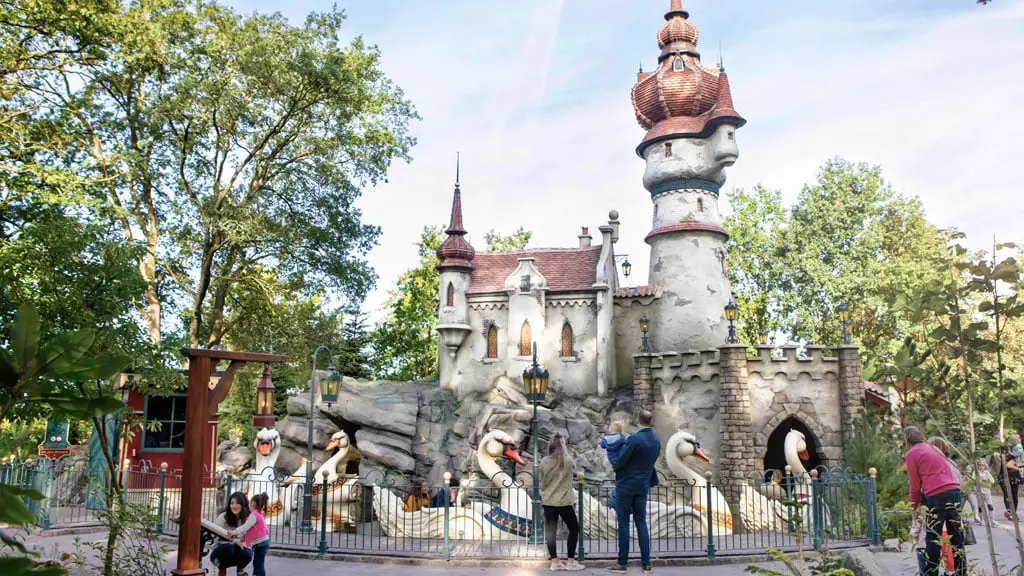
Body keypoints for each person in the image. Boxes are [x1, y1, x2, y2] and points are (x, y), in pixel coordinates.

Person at [904, 426, 965, 576]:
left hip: (937, 495)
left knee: (933, 538)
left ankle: (931, 573)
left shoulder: (911, 454)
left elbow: (915, 486)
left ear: (906, 440)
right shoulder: (934, 449)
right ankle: (962, 573)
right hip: (955, 492)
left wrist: (915, 507)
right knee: (956, 536)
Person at [608, 410, 660, 574]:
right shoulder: (656, 439)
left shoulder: (635, 439)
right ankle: (646, 563)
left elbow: (620, 462)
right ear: (650, 421)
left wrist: (615, 461)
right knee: (641, 522)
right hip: (643, 485)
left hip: (626, 485)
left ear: (638, 419)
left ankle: (622, 563)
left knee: (623, 523)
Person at [539, 431, 584, 572]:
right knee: (574, 529)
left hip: (548, 501)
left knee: (551, 532)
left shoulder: (544, 462)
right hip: (564, 501)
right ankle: (571, 561)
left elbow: (543, 480)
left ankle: (555, 562)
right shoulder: (568, 461)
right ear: (563, 445)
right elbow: (571, 476)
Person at [211, 492, 254, 576]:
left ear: (243, 504)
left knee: (247, 553)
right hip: (220, 550)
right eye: (232, 503)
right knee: (227, 548)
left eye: (237, 503)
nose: (234, 506)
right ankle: (221, 572)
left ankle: (240, 571)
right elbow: (216, 535)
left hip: (237, 549)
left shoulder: (247, 518)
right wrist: (234, 541)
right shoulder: (223, 517)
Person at [229, 493, 270, 576]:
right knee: (258, 562)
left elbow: (245, 527)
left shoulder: (254, 515)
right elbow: (249, 530)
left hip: (261, 543)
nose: (249, 506)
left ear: (253, 504)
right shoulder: (258, 514)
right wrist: (241, 538)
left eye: (250, 504)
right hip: (263, 542)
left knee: (258, 563)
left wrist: (234, 532)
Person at [601, 421, 627, 509]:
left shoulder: (605, 439)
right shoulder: (622, 438)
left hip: (612, 460)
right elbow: (626, 445)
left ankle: (614, 501)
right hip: (620, 460)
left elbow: (602, 446)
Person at [975, 459, 996, 524]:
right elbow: (973, 480)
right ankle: (981, 520)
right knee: (980, 506)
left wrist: (988, 481)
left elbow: (992, 480)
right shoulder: (975, 472)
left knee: (990, 505)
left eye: (983, 465)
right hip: (979, 491)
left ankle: (992, 520)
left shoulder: (987, 472)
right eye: (980, 465)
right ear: (978, 465)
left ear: (985, 466)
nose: (981, 466)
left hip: (987, 491)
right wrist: (980, 480)